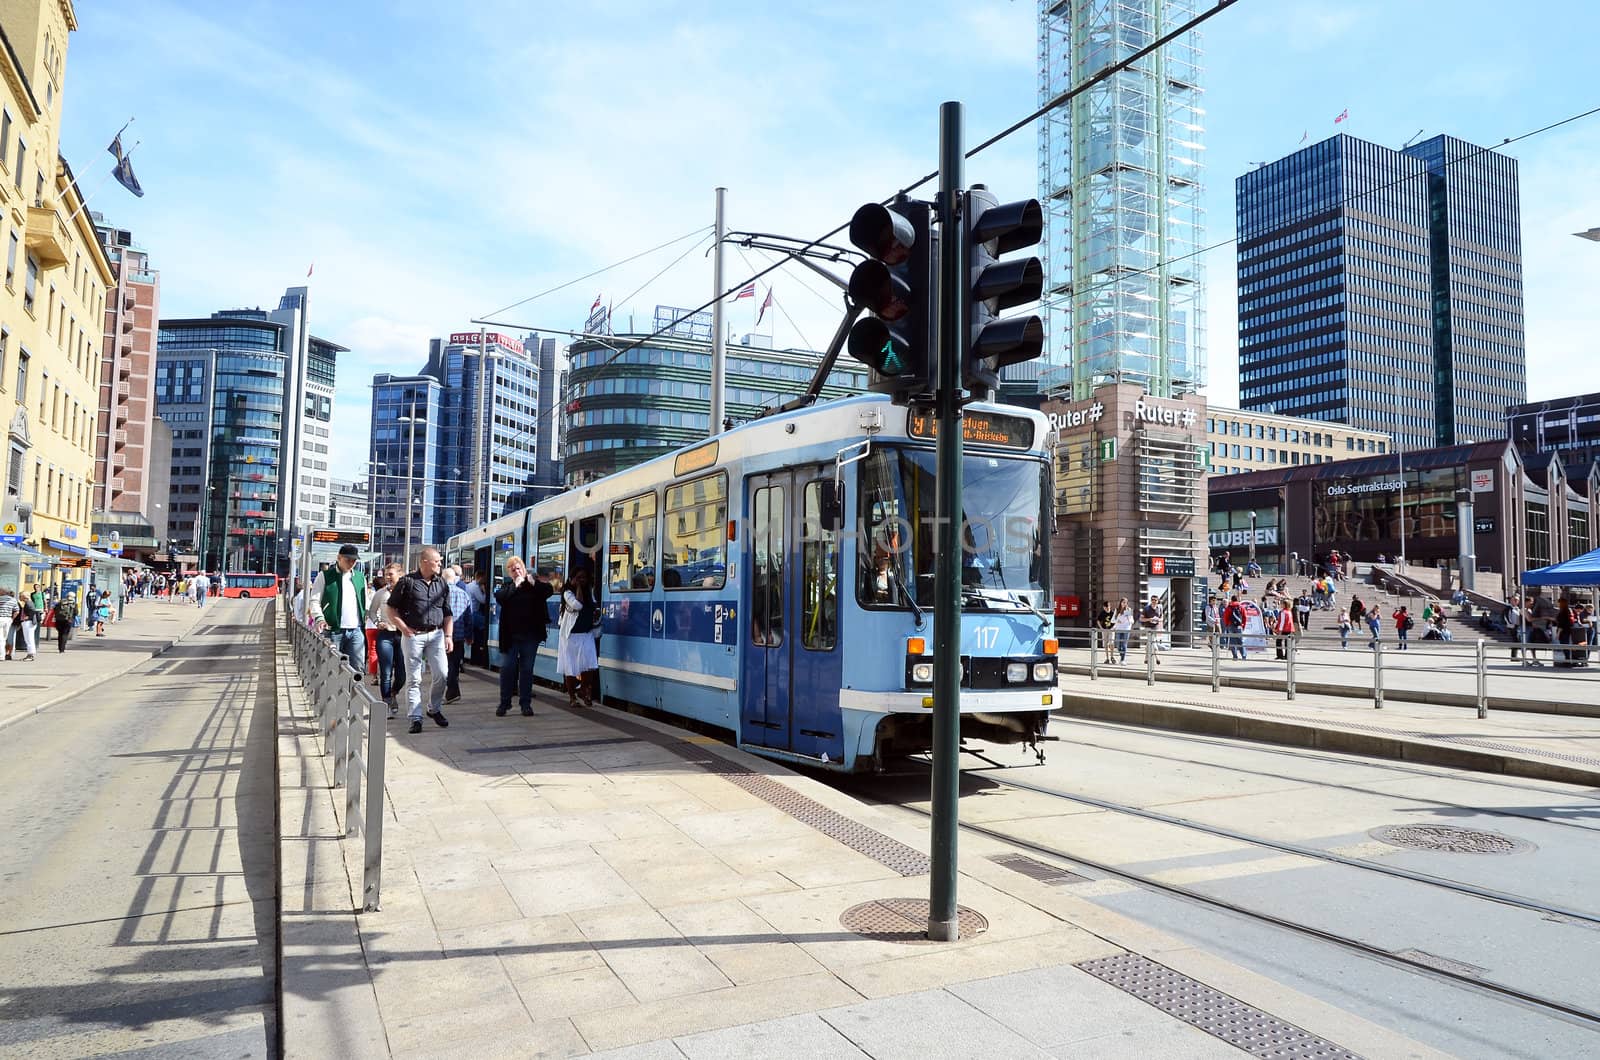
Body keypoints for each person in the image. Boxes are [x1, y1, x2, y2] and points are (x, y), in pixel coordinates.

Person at [387, 547, 453, 735]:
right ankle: (415, 717)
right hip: (413, 636)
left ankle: (434, 708)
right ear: (425, 562)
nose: (440, 564)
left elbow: (448, 613)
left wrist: (448, 636)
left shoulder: (442, 584)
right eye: (437, 561)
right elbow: (391, 609)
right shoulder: (407, 582)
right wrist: (404, 628)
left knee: (442, 674)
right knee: (414, 678)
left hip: (436, 634)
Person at [495, 555, 552, 716]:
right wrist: (515, 586)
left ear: (524, 568)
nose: (516, 571)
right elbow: (500, 597)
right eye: (512, 570)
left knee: (527, 669)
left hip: (530, 636)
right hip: (511, 637)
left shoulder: (534, 585)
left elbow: (549, 591)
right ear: (509, 573)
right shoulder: (507, 587)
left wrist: (534, 583)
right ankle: (505, 703)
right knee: (507, 668)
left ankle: (525, 704)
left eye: (518, 568)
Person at [319, 544, 369, 675]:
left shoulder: (360, 577)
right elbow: (315, 600)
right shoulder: (325, 576)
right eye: (348, 559)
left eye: (354, 560)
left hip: (356, 630)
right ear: (339, 558)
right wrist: (319, 618)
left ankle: (356, 694)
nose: (351, 563)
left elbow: (365, 601)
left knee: (358, 667)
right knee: (333, 668)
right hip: (334, 630)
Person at [366, 564, 408, 717]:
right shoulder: (381, 593)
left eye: (391, 574)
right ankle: (386, 703)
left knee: (402, 674)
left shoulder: (407, 592)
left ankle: (393, 692)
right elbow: (371, 611)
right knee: (386, 671)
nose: (388, 578)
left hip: (402, 635)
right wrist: (377, 623)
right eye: (386, 575)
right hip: (385, 634)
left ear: (400, 574)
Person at [558, 569, 600, 706]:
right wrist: (578, 588)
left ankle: (584, 688)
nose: (582, 580)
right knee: (570, 667)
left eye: (584, 578)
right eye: (579, 577)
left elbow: (594, 605)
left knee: (589, 665)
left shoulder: (589, 592)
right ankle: (572, 697)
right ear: (572, 579)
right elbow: (577, 605)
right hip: (570, 636)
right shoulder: (567, 593)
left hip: (586, 634)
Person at [442, 565, 473, 704]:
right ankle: (453, 691)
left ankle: (452, 692)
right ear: (454, 579)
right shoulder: (464, 594)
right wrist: (469, 635)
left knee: (446, 665)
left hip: (443, 635)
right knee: (454, 664)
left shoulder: (440, 593)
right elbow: (469, 617)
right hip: (459, 636)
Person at [1140, 594, 1164, 667]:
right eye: (1152, 600)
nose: (1154, 601)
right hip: (1148, 627)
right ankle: (1157, 658)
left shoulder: (1159, 608)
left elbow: (1162, 617)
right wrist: (1149, 619)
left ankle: (1146, 658)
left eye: (1155, 600)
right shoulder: (1146, 608)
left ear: (1158, 601)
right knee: (1153, 643)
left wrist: (1158, 620)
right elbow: (1141, 619)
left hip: (1155, 627)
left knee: (1149, 642)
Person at [1221, 594, 1247, 660]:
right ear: (1237, 599)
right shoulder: (1241, 607)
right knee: (1240, 641)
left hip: (1230, 625)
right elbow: (1244, 617)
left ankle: (1235, 656)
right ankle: (1244, 655)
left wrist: (1227, 625)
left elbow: (1225, 617)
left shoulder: (1229, 607)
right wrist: (1243, 625)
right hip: (1239, 626)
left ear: (1231, 600)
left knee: (1232, 641)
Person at [1112, 597, 1135, 665]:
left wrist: (1129, 618)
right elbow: (1112, 620)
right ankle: (1121, 655)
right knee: (1118, 645)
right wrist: (1117, 620)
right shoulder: (1117, 610)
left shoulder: (1128, 610)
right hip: (1118, 629)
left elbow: (1132, 621)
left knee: (1124, 644)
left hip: (1126, 629)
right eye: (1123, 602)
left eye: (1125, 603)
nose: (1124, 604)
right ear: (1121, 603)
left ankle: (1122, 660)